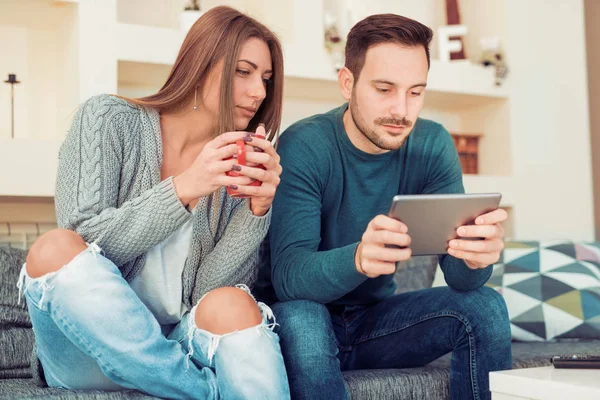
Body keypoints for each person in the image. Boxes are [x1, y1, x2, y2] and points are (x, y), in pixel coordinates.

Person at [17, 6, 289, 399]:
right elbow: (85, 247)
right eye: (242, 72)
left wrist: (256, 210)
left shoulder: (237, 162)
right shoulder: (108, 119)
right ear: (199, 65)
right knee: (54, 247)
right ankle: (201, 391)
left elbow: (208, 298)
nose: (259, 92)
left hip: (179, 341)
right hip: (84, 350)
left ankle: (170, 379)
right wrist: (185, 188)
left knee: (232, 303)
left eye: (265, 79)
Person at [268, 13, 511, 400]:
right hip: (306, 318)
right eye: (385, 89)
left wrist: (477, 258)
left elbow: (460, 280)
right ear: (347, 83)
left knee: (487, 306)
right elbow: (288, 277)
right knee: (300, 317)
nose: (402, 110)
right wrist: (360, 259)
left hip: (376, 323)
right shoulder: (305, 145)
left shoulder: (431, 145)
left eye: (415, 92)